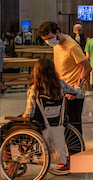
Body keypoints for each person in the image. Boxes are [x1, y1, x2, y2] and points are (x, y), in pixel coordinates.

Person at [21, 57, 84, 172]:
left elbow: (29, 114)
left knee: (5, 131)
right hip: (56, 121)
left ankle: (10, 162)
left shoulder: (34, 89)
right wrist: (77, 88)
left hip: (38, 125)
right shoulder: (61, 85)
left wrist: (23, 117)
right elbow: (80, 94)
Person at [37, 21, 90, 149]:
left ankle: (76, 153)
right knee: (62, 124)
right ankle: (65, 154)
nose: (49, 42)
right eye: (45, 40)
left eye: (50, 38)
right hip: (60, 90)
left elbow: (87, 67)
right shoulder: (56, 44)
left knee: (73, 125)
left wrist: (76, 87)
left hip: (72, 92)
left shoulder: (72, 47)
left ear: (57, 32)